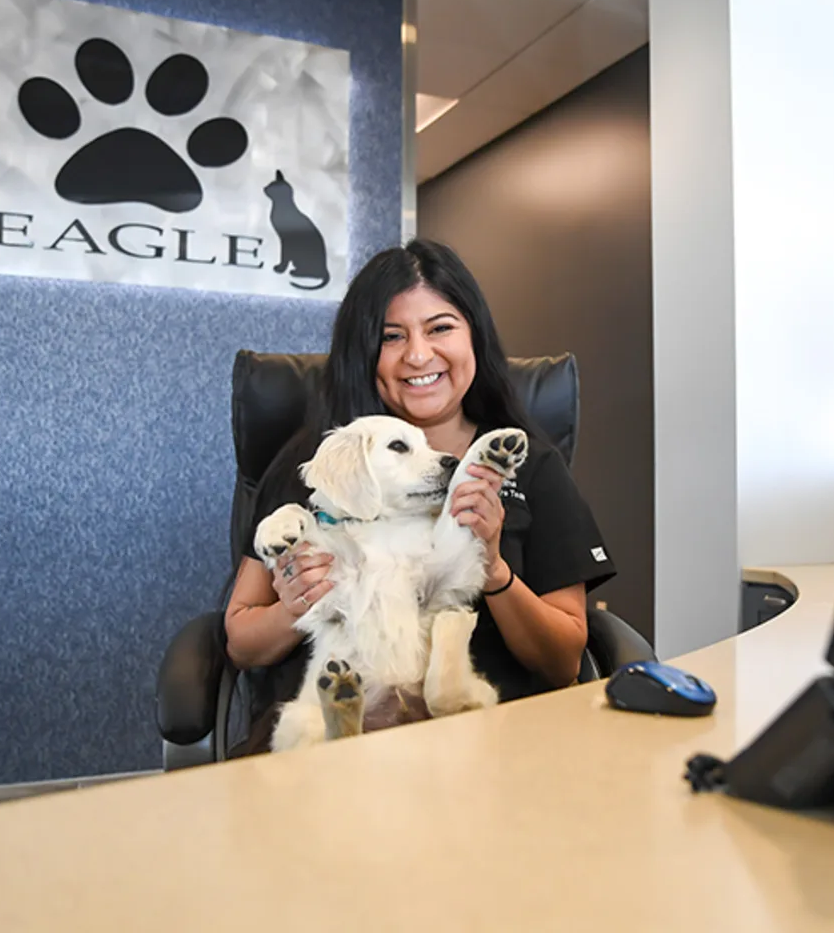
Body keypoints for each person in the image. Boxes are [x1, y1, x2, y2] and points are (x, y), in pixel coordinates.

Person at [224, 239, 616, 747]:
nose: (417, 354)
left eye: (440, 328)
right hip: (328, 746)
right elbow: (241, 642)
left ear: (474, 335)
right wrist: (293, 607)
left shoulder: (532, 468)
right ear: (362, 352)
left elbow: (563, 660)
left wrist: (494, 570)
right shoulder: (318, 467)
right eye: (391, 336)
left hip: (486, 741)